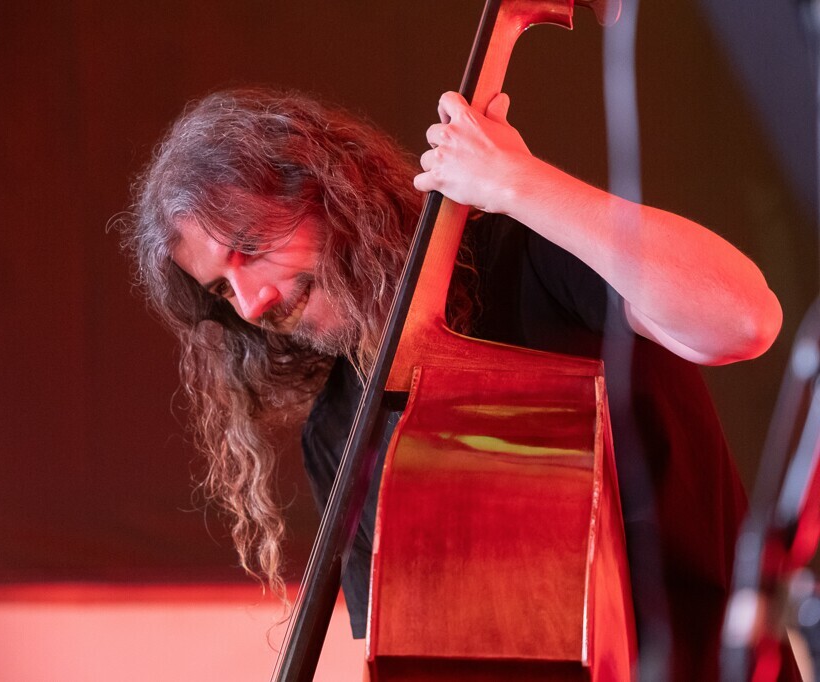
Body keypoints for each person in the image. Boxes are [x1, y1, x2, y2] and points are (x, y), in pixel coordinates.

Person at [121, 88, 783, 680]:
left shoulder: (533, 257)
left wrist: (523, 185)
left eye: (248, 246)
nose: (251, 302)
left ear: (322, 189)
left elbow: (742, 319)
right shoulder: (339, 429)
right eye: (221, 289)